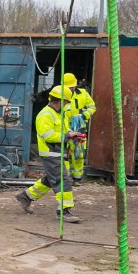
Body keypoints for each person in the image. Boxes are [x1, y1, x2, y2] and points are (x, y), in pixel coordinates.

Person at [17, 85, 81, 223]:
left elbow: (63, 130)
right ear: (59, 100)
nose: (66, 105)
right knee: (63, 180)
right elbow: (48, 136)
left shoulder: (59, 114)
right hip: (51, 154)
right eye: (66, 102)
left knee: (50, 180)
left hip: (58, 153)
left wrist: (72, 134)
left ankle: (26, 196)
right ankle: (64, 211)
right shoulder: (45, 115)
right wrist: (67, 135)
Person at [63, 72, 96, 183]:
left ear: (76, 85)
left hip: (80, 129)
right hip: (65, 129)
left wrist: (84, 115)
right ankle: (66, 178)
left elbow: (92, 107)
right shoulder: (59, 95)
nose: (71, 89)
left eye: (72, 87)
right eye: (69, 87)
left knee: (79, 154)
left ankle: (77, 178)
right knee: (65, 155)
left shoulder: (83, 94)